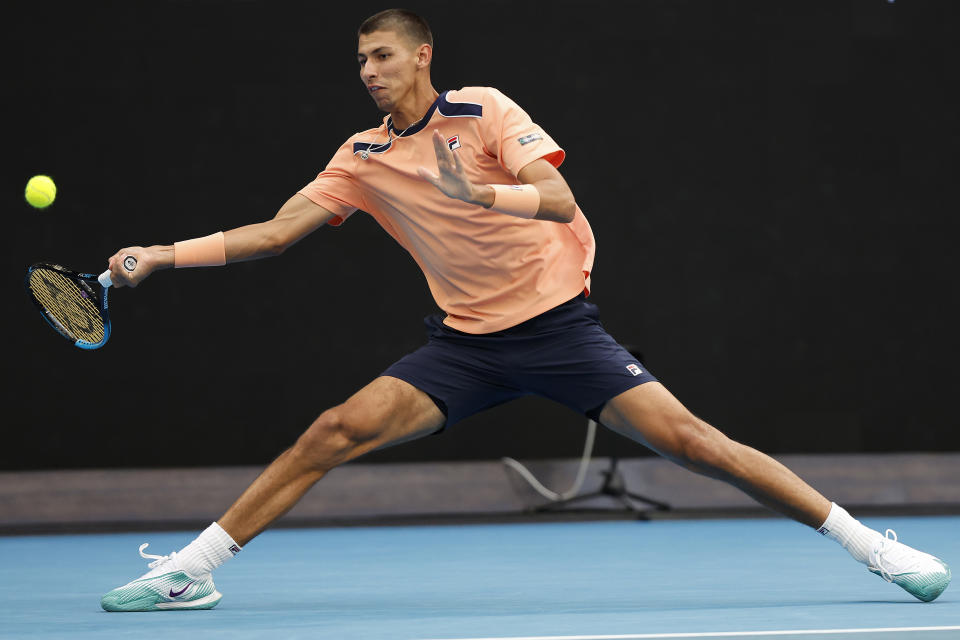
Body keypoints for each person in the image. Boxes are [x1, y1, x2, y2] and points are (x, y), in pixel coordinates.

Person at [99, 9, 950, 611]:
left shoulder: (486, 110)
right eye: (361, 59)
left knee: (700, 445)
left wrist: (484, 193)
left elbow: (556, 197)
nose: (369, 70)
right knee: (330, 431)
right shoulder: (359, 157)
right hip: (463, 348)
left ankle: (874, 547)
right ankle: (193, 570)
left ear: (423, 54)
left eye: (384, 55)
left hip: (557, 332)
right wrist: (164, 255)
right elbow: (278, 234)